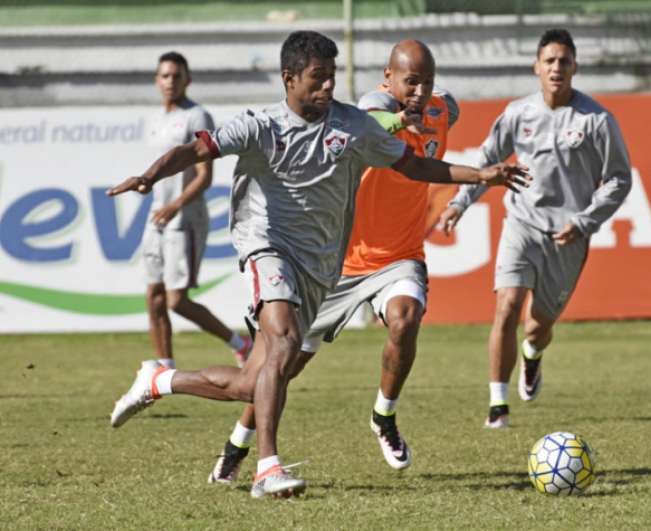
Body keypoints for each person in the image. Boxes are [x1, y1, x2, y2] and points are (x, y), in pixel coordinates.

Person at [107, 31, 530, 500]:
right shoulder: (259, 125)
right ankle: (267, 469)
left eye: (331, 77)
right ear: (289, 79)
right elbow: (198, 150)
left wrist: (482, 175)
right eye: (318, 78)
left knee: (256, 381)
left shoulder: (351, 127)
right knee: (285, 341)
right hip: (266, 246)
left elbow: (413, 167)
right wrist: (150, 174)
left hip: (321, 264)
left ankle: (160, 380)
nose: (328, 87)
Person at [207, 39, 465, 484]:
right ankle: (238, 444)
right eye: (410, 81)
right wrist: (398, 116)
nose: (420, 91)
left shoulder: (445, 108)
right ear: (389, 77)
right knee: (282, 365)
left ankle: (384, 415)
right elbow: (375, 116)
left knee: (405, 320)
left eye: (427, 82)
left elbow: (444, 116)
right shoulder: (371, 109)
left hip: (399, 257)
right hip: (337, 262)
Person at [440, 28, 632, 429]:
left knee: (538, 325)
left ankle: (532, 353)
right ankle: (497, 405)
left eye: (564, 61)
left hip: (568, 235)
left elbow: (619, 178)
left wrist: (584, 221)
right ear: (537, 67)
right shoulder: (517, 114)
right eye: (549, 61)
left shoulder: (596, 120)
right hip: (522, 223)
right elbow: (488, 163)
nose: (556, 68)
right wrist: (459, 203)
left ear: (575, 66)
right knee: (507, 304)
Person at [142, 51, 251, 369]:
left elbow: (204, 177)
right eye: (165, 75)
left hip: (185, 218)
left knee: (176, 300)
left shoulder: (197, 116)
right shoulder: (154, 121)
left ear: (187, 80)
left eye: (176, 75)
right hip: (157, 218)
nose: (170, 81)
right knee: (154, 296)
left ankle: (241, 343)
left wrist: (175, 205)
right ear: (156, 80)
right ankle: (164, 367)